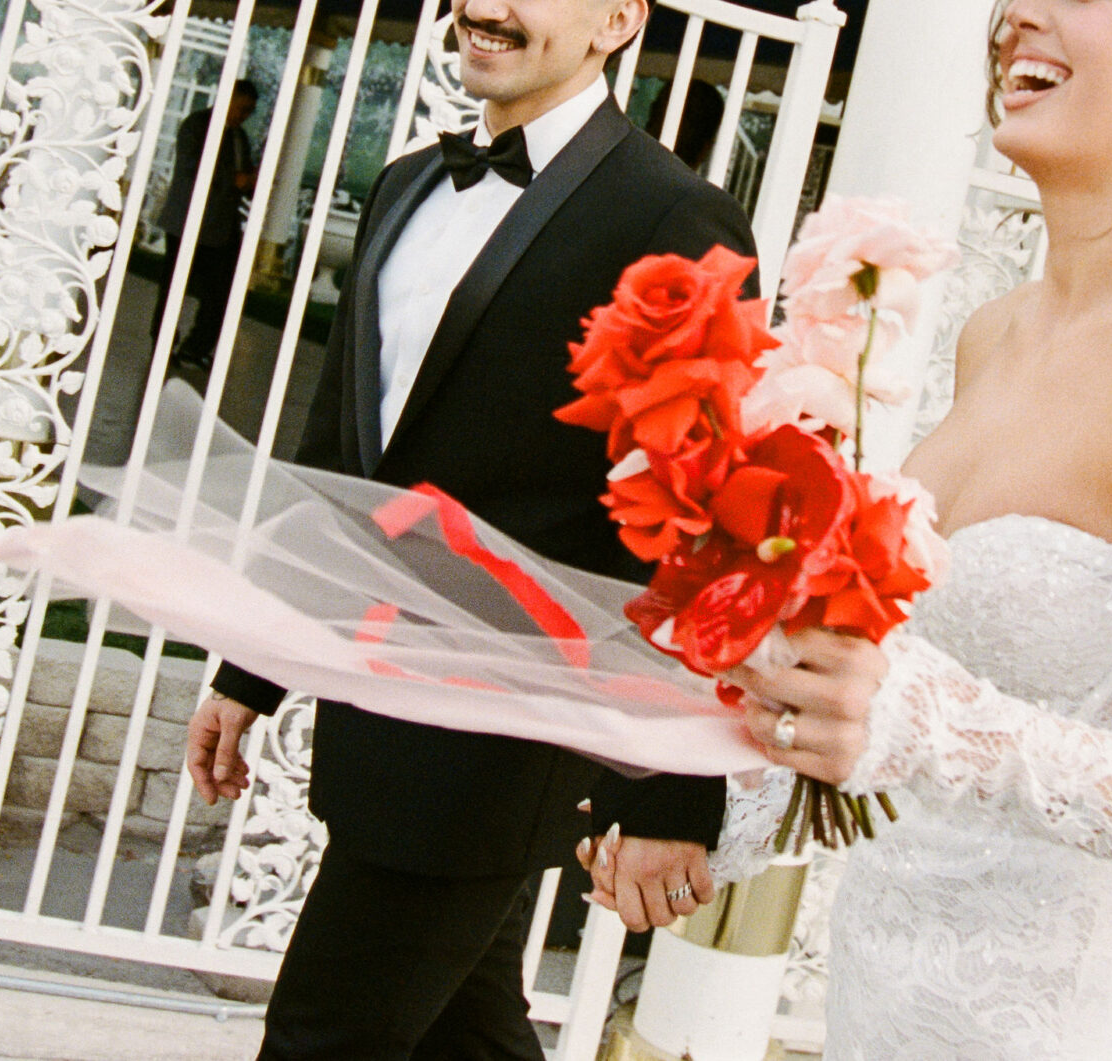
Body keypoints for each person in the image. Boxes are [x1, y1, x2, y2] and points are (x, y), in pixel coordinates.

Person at [588, 0, 1112, 1056]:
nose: (1017, 15)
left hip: (1064, 1020)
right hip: (885, 996)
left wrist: (922, 723)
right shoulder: (995, 332)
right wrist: (702, 817)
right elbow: (893, 693)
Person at [185, 2, 755, 1057]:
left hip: (507, 725)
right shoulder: (406, 183)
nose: (481, 7)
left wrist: (676, 780)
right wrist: (253, 662)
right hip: (381, 694)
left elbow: (702, 516)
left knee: (322, 1033)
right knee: (469, 1033)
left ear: (617, 21)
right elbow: (340, 452)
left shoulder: (672, 218)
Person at [150, 79, 260, 370]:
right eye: (241, 109)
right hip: (188, 221)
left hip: (223, 226)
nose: (243, 116)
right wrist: (232, 180)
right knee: (175, 287)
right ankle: (163, 345)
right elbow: (191, 167)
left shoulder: (240, 137)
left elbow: (242, 176)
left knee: (222, 291)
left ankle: (196, 347)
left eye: (248, 112)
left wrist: (251, 181)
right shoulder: (196, 126)